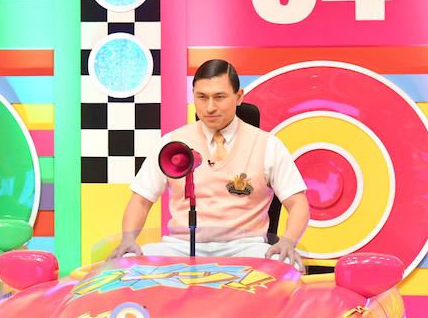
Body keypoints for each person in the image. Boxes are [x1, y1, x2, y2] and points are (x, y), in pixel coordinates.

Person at [108, 59, 309, 272]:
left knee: (286, 266)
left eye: (219, 97)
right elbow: (141, 200)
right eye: (202, 97)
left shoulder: (268, 145)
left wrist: (288, 241)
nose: (210, 107)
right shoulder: (172, 143)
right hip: (180, 246)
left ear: (239, 96)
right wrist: (128, 239)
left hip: (246, 248)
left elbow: (297, 203)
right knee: (126, 263)